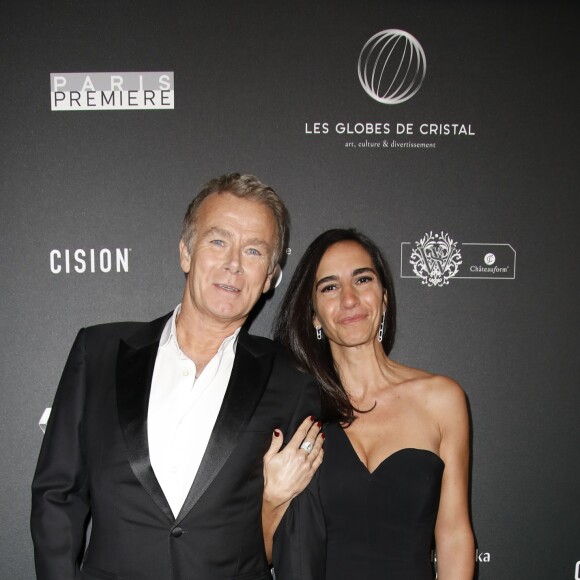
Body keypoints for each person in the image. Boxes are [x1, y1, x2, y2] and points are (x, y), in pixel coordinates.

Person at [30, 173, 322, 580]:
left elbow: (298, 534)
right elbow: (57, 495)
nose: (233, 264)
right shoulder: (97, 352)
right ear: (186, 252)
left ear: (270, 277)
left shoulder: (291, 379)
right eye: (218, 241)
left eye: (254, 251)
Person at [269, 228, 475, 579]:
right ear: (315, 315)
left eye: (362, 280)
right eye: (330, 287)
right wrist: (273, 496)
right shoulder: (296, 408)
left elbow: (454, 535)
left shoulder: (442, 399)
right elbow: (265, 552)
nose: (349, 299)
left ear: (384, 298)